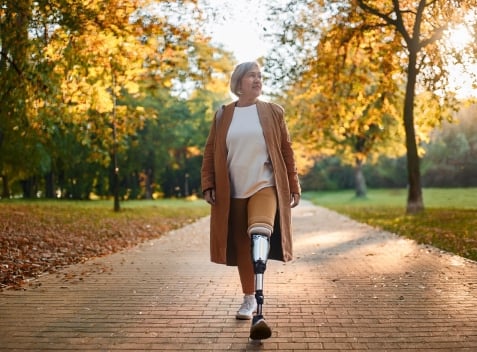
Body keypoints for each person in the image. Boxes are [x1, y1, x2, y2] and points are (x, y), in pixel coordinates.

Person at [201, 61, 301, 340]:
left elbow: (286, 150)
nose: (257, 80)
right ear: (239, 82)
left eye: (260, 76)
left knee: (259, 235)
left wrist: (293, 184)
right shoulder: (223, 115)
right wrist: (208, 182)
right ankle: (247, 298)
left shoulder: (272, 111)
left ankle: (259, 304)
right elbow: (210, 152)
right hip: (232, 191)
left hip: (264, 185)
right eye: (251, 76)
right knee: (242, 246)